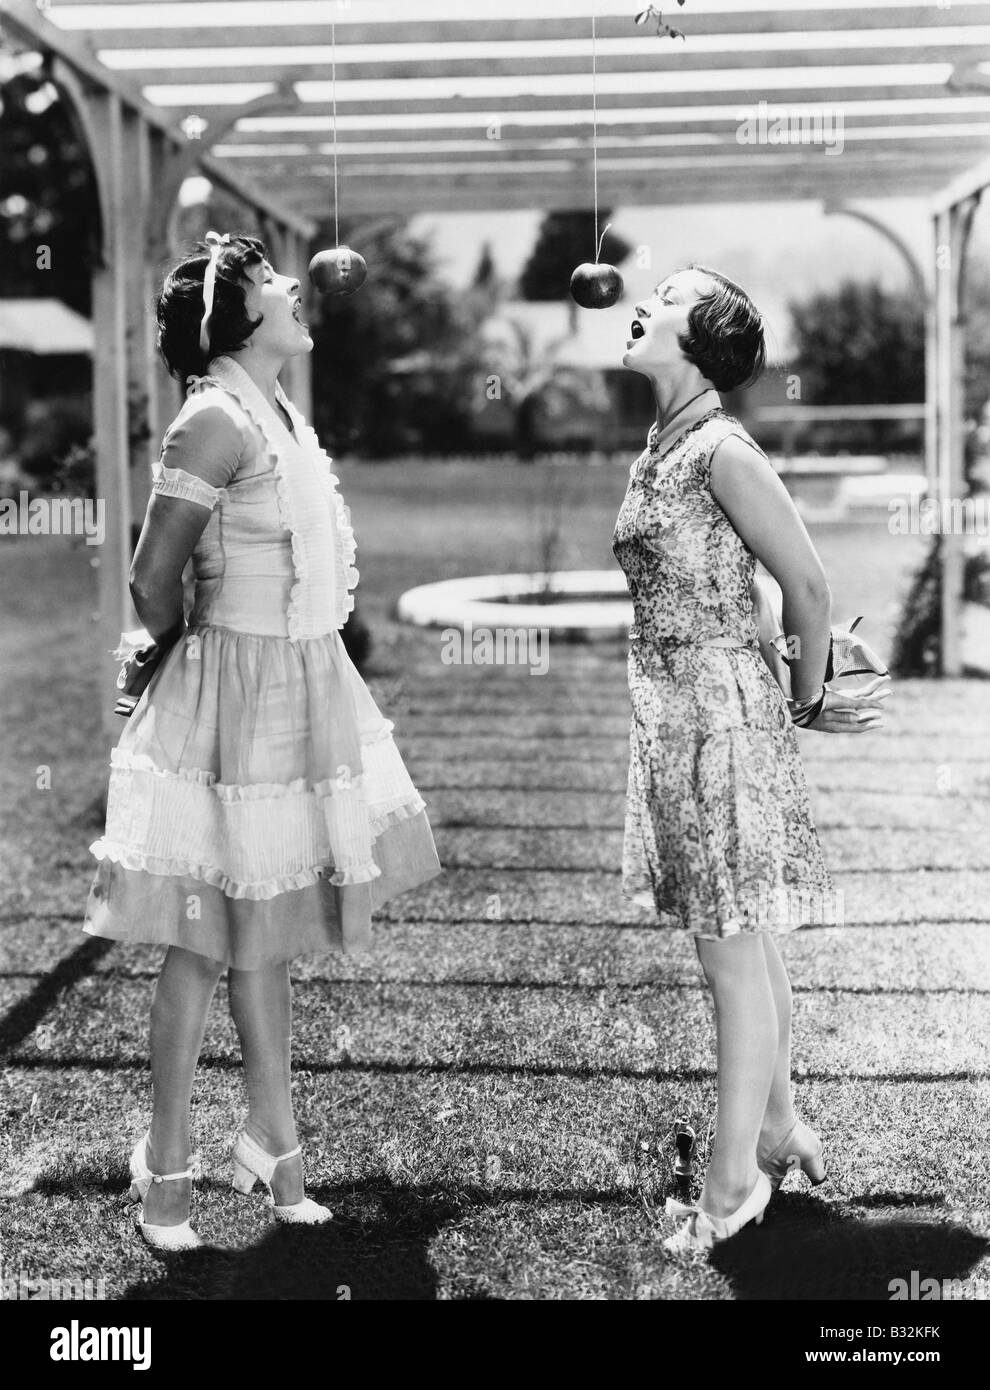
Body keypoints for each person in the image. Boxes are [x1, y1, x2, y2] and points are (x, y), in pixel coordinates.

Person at [83, 231, 441, 1250]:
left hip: (300, 681)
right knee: (202, 940)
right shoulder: (213, 415)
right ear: (237, 315)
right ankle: (166, 1170)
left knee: (269, 933)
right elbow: (155, 579)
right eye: (272, 278)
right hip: (232, 689)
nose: (295, 283)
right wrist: (173, 658)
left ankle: (274, 1149)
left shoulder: (280, 411)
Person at [613, 263, 891, 1254]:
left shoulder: (722, 447)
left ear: (704, 340)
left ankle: (734, 1187)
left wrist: (808, 696)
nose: (648, 297)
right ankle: (777, 1127)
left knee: (729, 953)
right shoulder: (664, 441)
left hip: (722, 722)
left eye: (674, 294)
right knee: (746, 937)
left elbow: (807, 585)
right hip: (678, 719)